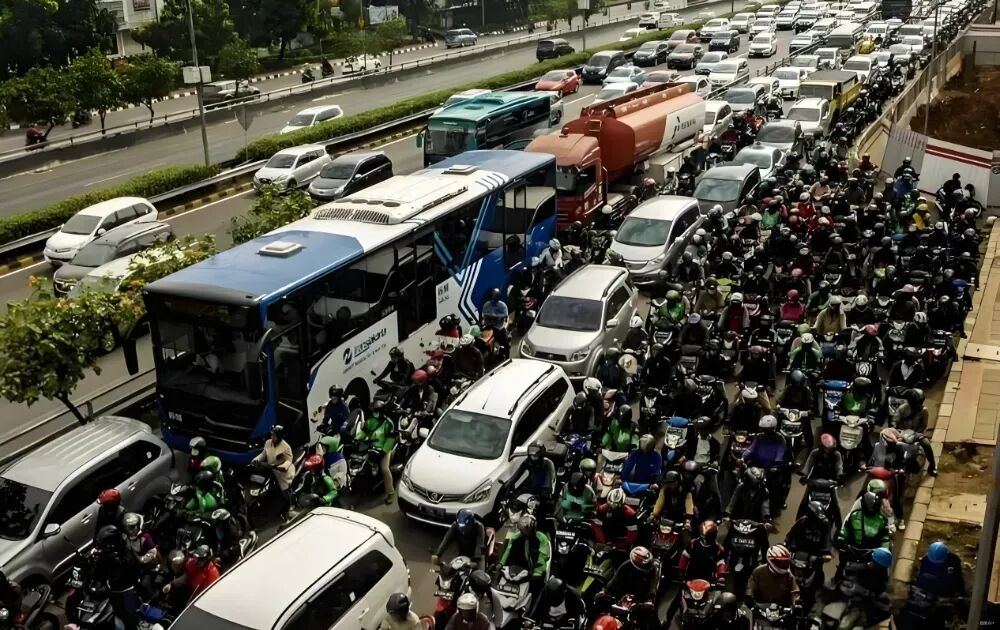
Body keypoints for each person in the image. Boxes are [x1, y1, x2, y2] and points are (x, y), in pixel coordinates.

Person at [92, 525, 143, 630]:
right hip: (115, 593)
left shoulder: (124, 556)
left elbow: (124, 574)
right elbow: (99, 573)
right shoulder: (107, 555)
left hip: (125, 592)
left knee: (130, 618)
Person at [354, 402, 397, 504]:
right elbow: (364, 432)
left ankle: (390, 493)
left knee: (384, 469)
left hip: (384, 449)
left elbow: (390, 440)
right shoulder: (371, 421)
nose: (375, 413)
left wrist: (383, 452)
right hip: (371, 447)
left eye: (376, 411)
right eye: (374, 411)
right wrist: (356, 438)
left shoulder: (388, 423)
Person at [500, 515, 551, 597]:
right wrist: (501, 564)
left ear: (533, 527)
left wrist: (537, 573)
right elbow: (508, 552)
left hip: (535, 572)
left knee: (537, 589)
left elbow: (542, 557)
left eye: (527, 528)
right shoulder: (515, 537)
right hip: (519, 570)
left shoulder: (541, 538)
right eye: (523, 528)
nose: (525, 530)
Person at [252, 425, 296, 514]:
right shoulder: (268, 443)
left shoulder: (286, 448)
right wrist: (256, 460)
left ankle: (289, 507)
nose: (272, 437)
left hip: (282, 472)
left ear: (279, 437)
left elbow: (288, 461)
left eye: (274, 435)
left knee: (285, 492)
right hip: (271, 468)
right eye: (271, 435)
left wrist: (282, 467)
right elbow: (263, 454)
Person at [481, 288, 510, 352]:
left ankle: (507, 353)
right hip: (489, 326)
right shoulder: (486, 305)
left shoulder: (503, 305)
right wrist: (488, 319)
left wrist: (496, 316)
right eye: (493, 298)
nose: (493, 300)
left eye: (496, 298)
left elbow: (505, 315)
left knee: (505, 343)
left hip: (499, 327)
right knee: (482, 340)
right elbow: (483, 315)